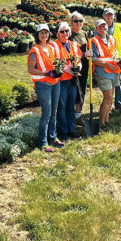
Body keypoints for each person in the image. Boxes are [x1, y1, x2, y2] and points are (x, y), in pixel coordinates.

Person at [27, 24, 65, 152]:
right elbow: (30, 69)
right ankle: (42, 142)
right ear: (37, 35)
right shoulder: (35, 51)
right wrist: (45, 73)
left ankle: (52, 138)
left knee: (54, 112)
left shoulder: (51, 48)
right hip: (43, 85)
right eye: (42, 33)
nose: (44, 35)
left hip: (55, 83)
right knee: (46, 114)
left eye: (46, 33)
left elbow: (55, 63)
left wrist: (58, 70)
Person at [90, 18, 121, 132]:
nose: (103, 28)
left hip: (113, 71)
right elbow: (94, 60)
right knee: (108, 97)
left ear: (107, 27)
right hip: (102, 72)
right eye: (100, 26)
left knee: (110, 98)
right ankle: (101, 123)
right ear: (96, 29)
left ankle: (106, 121)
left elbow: (113, 55)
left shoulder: (112, 40)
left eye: (104, 26)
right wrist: (108, 66)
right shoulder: (93, 41)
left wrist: (119, 61)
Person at [54, 22, 83, 140]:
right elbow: (53, 62)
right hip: (61, 80)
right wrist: (67, 70)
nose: (65, 33)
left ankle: (71, 129)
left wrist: (79, 67)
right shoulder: (54, 46)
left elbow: (79, 59)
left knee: (70, 106)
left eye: (67, 31)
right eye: (62, 31)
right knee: (62, 107)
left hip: (73, 80)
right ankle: (63, 131)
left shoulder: (74, 45)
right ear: (57, 34)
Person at [102, 7, 121, 114]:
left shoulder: (118, 27)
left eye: (111, 15)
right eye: (107, 15)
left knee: (118, 82)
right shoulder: (100, 28)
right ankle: (109, 105)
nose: (109, 17)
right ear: (103, 16)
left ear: (114, 16)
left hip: (118, 60)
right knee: (109, 84)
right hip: (106, 60)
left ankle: (119, 104)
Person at [69, 11, 91, 123]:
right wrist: (82, 55)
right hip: (74, 67)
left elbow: (87, 48)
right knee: (75, 90)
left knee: (82, 89)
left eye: (81, 21)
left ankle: (78, 114)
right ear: (71, 22)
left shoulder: (84, 34)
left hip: (85, 66)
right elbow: (68, 52)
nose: (79, 23)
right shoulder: (69, 35)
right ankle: (72, 114)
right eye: (76, 21)